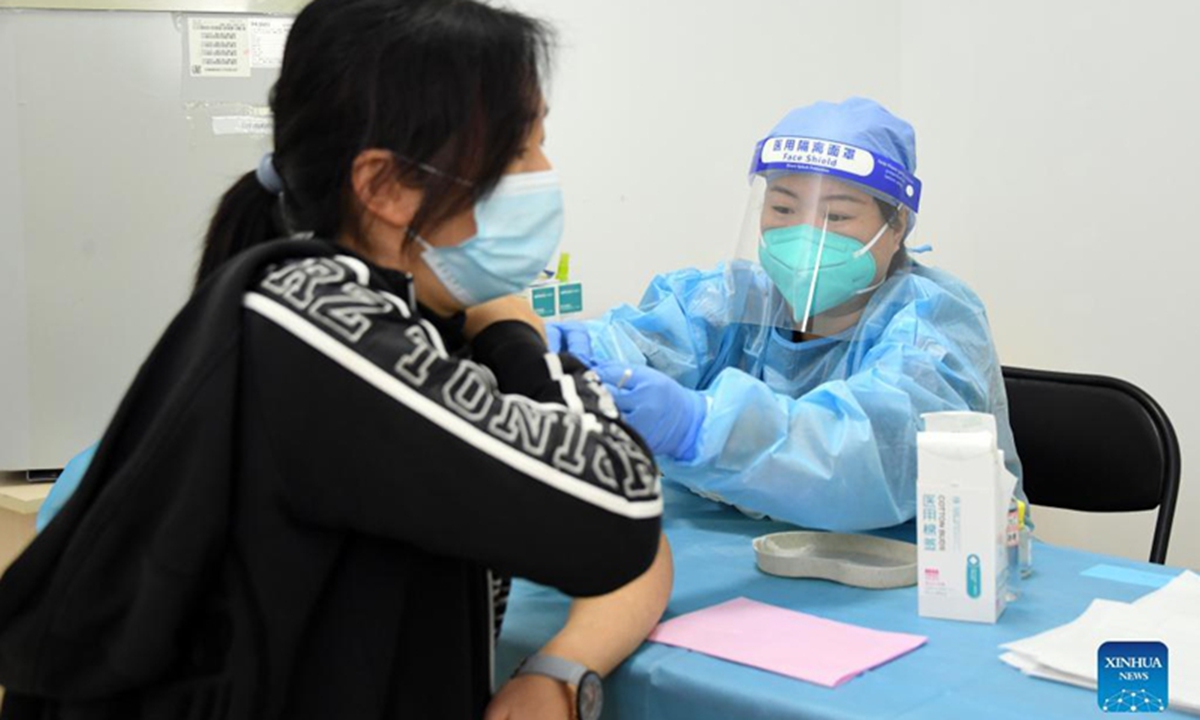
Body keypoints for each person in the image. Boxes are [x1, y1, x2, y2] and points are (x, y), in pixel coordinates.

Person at [0, 2, 671, 719]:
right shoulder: (314, 321)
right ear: (384, 186)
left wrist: (562, 668)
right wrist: (517, 333)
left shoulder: (408, 319)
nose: (544, 173)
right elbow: (618, 507)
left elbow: (619, 535)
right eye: (516, 152)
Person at [549, 97, 1022, 532]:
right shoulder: (726, 300)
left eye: (835, 217)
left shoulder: (934, 321)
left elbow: (871, 456)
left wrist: (702, 425)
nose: (803, 233)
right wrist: (561, 347)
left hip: (922, 571)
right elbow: (633, 343)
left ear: (896, 224)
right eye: (782, 207)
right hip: (746, 560)